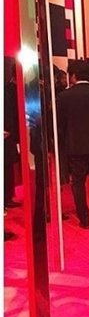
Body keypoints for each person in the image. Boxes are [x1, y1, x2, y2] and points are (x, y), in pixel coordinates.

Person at [57, 60, 89, 228]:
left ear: (73, 75)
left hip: (75, 146)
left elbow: (60, 125)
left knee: (78, 183)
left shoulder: (64, 96)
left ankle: (84, 219)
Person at [4, 64, 21, 209]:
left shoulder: (10, 89)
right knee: (6, 166)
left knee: (9, 166)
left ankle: (8, 196)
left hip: (13, 134)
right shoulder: (8, 90)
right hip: (8, 134)